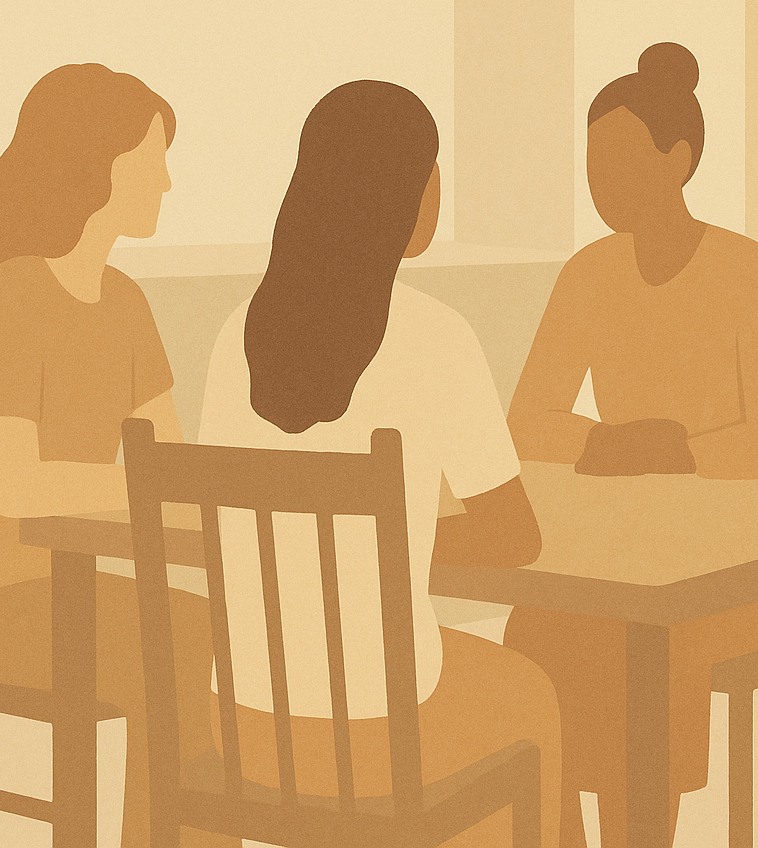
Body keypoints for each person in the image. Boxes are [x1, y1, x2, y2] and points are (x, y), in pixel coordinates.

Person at [196, 79, 563, 847]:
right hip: (373, 737)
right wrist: (392, 546)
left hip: (243, 725)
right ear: (408, 192)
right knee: (531, 698)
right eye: (432, 169)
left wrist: (358, 552)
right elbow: (514, 537)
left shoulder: (235, 335)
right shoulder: (435, 336)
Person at [504, 43, 758, 847]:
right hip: (619, 553)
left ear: (676, 160)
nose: (600, 179)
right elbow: (526, 421)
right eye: (591, 161)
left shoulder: (752, 273)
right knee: (537, 628)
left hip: (742, 567)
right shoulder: (589, 274)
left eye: (619, 158)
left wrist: (675, 450)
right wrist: (601, 442)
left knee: (648, 642)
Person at [0, 63, 232, 847]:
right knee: (173, 645)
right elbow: (14, 484)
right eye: (153, 156)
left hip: (69, 584)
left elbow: (170, 460)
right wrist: (147, 483)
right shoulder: (10, 297)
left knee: (209, 629)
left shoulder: (126, 300)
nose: (166, 179)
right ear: (100, 163)